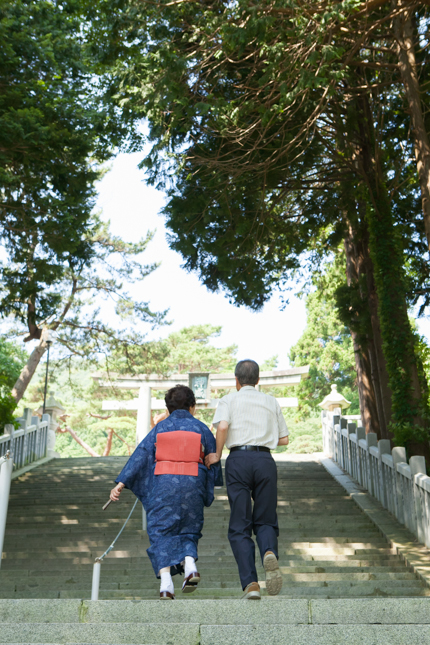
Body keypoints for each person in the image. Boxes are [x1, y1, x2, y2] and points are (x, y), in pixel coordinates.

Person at [110, 384, 221, 599]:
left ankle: (167, 585)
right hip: (193, 482)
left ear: (168, 408)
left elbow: (140, 457)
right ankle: (190, 566)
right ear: (192, 407)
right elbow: (212, 461)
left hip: (164, 485)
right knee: (189, 528)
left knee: (160, 531)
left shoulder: (159, 429)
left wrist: (122, 483)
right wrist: (209, 488)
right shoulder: (201, 429)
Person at [205, 359, 289, 600]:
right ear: (258, 380)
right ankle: (269, 551)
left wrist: (218, 454)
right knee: (265, 518)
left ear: (237, 381)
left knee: (240, 523)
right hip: (264, 461)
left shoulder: (229, 399)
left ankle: (251, 584)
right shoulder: (270, 401)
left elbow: (222, 426)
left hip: (238, 460)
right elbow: (284, 440)